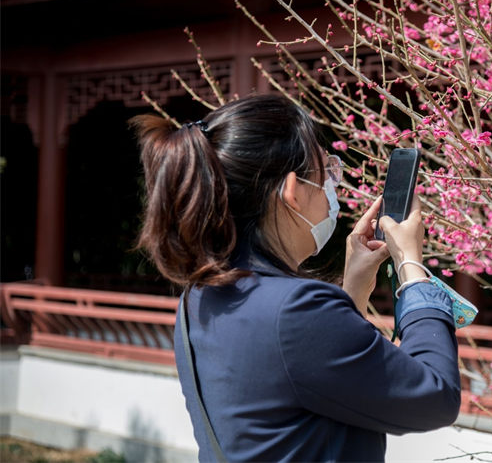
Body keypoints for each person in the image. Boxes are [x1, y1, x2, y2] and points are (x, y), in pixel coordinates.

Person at [133, 94, 460, 462]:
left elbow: (305, 374)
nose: (333, 187)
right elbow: (436, 395)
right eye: (327, 172)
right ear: (292, 192)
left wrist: (353, 288)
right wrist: (412, 270)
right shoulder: (296, 310)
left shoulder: (200, 295)